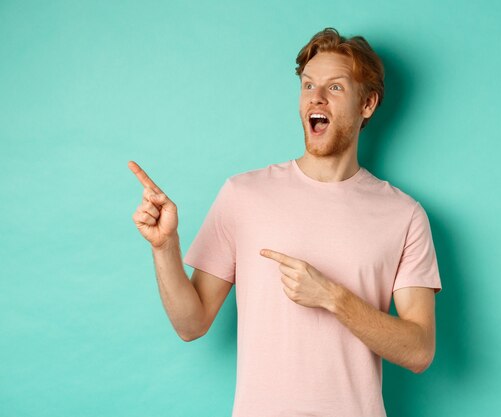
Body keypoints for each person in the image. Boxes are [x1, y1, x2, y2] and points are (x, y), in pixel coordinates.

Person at [129, 27, 442, 417]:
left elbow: (419, 350)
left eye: (336, 87)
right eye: (308, 85)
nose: (317, 97)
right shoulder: (244, 195)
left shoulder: (404, 215)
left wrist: (333, 297)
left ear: (368, 104)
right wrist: (165, 247)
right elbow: (191, 324)